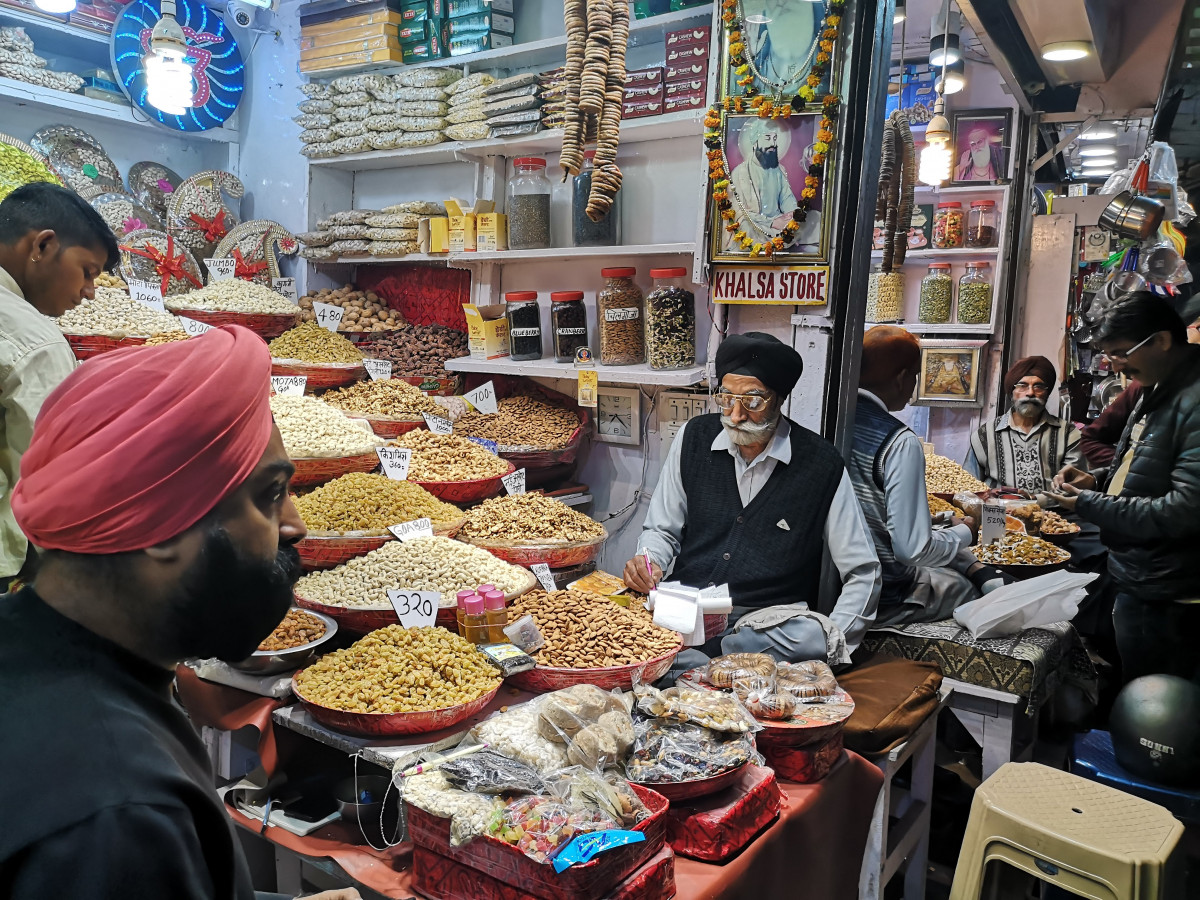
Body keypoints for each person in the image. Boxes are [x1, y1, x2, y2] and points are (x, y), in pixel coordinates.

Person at [0, 326, 358, 900]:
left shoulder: (30, 641)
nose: (296, 524)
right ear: (163, 525)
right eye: (270, 494)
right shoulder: (119, 813)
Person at [624, 331, 881, 665]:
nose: (735, 415)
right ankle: (702, 659)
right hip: (687, 607)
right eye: (727, 398)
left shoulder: (821, 464)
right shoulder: (694, 438)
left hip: (763, 624)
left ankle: (696, 660)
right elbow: (662, 528)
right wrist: (649, 561)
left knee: (809, 637)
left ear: (779, 398)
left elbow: (864, 571)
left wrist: (836, 640)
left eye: (753, 401)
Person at [1051, 293, 1200, 683]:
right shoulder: (1154, 386)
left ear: (1162, 341)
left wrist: (1090, 503)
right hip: (1143, 578)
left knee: (1160, 708)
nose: (1114, 365)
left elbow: (1184, 510)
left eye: (1120, 353)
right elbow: (1141, 463)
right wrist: (1097, 479)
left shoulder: (1194, 400)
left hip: (1171, 592)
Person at [0, 182, 118, 591]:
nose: (89, 293)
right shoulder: (37, 343)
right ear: (43, 245)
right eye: (87, 272)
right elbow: (47, 481)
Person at [851, 326, 1009, 625]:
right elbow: (912, 549)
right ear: (901, 378)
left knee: (945, 540)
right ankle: (982, 576)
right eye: (914, 377)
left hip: (832, 579)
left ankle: (978, 569)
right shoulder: (898, 441)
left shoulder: (827, 417)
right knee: (966, 588)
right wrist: (967, 532)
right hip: (881, 595)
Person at [966, 355, 1085, 494]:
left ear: (1047, 393)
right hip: (997, 512)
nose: (1030, 393)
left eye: (1038, 386)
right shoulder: (985, 435)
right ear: (1012, 392)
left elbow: (1074, 487)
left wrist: (1032, 503)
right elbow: (969, 486)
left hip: (1052, 513)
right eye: (1022, 386)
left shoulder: (1068, 434)